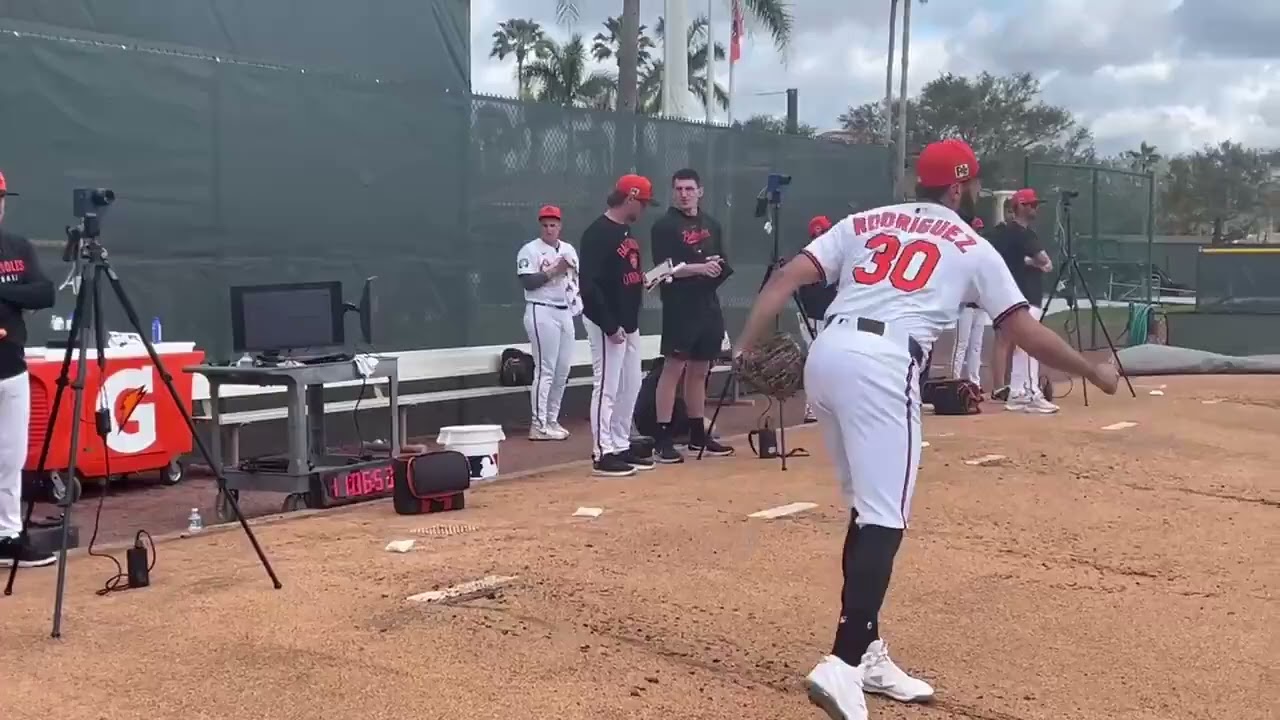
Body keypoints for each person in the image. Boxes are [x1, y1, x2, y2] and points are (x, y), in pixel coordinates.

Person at [730, 139, 1120, 720]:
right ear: (960, 188)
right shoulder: (972, 244)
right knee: (886, 517)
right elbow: (1024, 332)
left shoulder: (863, 220)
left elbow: (786, 278)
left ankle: (868, 653)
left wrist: (746, 346)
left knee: (866, 511)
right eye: (974, 184)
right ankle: (840, 664)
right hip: (885, 364)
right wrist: (1094, 371)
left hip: (829, 354)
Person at [649, 168, 734, 463]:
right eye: (679, 189)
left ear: (700, 191)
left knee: (700, 371)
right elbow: (663, 269)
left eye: (689, 189)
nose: (684, 194)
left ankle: (698, 432)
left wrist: (713, 267)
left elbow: (722, 262)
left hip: (707, 305)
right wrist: (697, 268)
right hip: (679, 307)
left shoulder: (712, 223)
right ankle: (663, 437)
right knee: (674, 369)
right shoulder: (664, 227)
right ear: (673, 192)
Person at [579, 175, 657, 477]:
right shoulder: (598, 232)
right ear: (630, 199)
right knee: (607, 387)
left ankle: (621, 443)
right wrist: (610, 324)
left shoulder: (625, 231)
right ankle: (602, 452)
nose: (645, 209)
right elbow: (589, 286)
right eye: (643, 202)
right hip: (606, 322)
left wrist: (643, 281)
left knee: (630, 385)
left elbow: (623, 274)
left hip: (629, 320)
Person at [0, 170, 57, 568]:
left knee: (10, 457)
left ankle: (7, 534)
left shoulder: (16, 246)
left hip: (11, 366)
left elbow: (44, 292)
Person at [990, 188, 1058, 413]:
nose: (1035, 209)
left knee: (1019, 345)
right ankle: (1028, 393)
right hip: (1027, 294)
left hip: (1009, 295)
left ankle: (1018, 391)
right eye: (1031, 205)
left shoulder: (1004, 232)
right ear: (1020, 206)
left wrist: (1027, 262)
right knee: (1029, 345)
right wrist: (1033, 262)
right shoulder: (1023, 233)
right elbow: (1045, 262)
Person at [516, 205, 579, 441]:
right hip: (540, 310)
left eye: (553, 224)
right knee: (546, 369)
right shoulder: (530, 250)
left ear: (560, 226)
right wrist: (555, 270)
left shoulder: (568, 249)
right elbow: (528, 282)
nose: (549, 229)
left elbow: (575, 279)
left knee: (563, 370)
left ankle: (552, 420)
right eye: (545, 225)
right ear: (540, 226)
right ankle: (538, 424)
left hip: (565, 310)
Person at [799, 215, 838, 423]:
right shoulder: (809, 257)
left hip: (832, 316)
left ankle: (830, 405)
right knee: (816, 363)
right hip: (814, 317)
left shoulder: (835, 254)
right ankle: (811, 407)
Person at [949, 215, 989, 387]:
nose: (977, 232)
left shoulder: (984, 253)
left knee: (975, 347)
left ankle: (975, 383)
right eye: (975, 229)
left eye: (979, 230)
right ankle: (955, 380)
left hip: (979, 307)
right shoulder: (961, 251)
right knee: (961, 345)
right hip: (964, 306)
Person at [987, 198, 1016, 399]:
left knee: (1015, 340)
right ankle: (998, 386)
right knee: (1002, 338)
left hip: (1017, 289)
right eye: (1009, 211)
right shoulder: (998, 234)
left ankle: (1009, 382)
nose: (1012, 215)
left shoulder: (1020, 233)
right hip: (1001, 290)